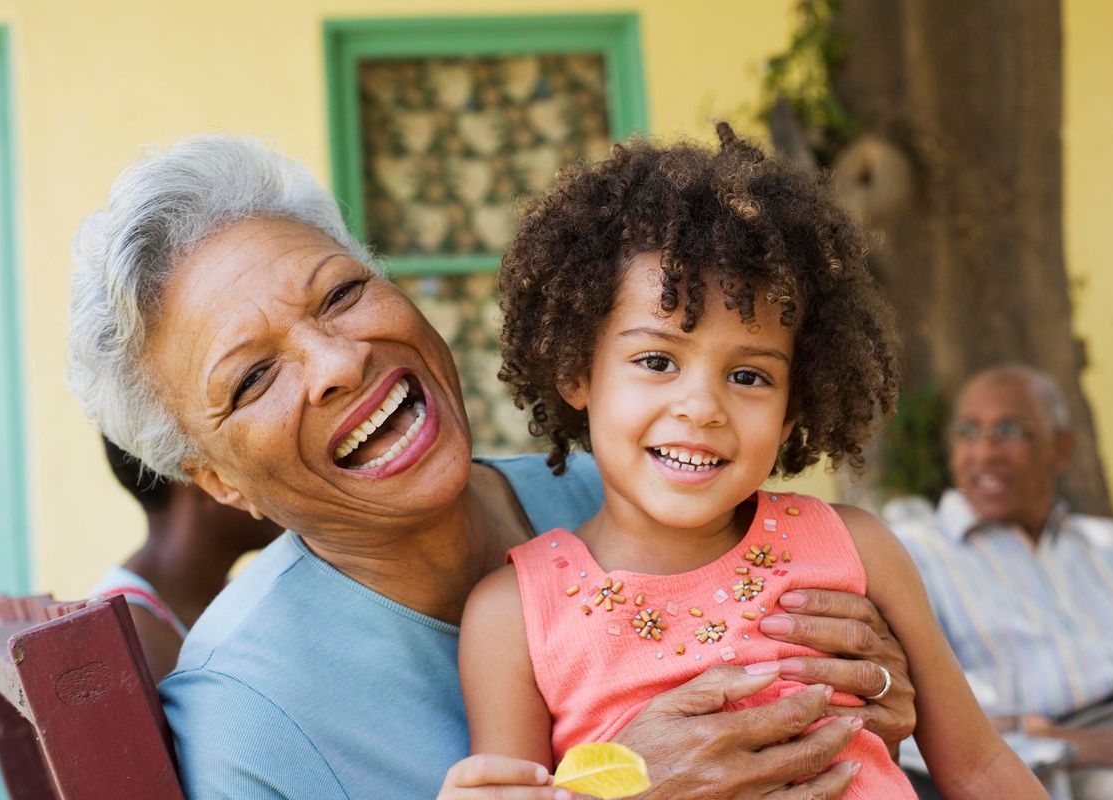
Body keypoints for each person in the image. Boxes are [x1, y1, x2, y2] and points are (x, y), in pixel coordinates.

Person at [67, 133, 918, 800]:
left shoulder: (626, 491)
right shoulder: (249, 719)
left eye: (341, 294)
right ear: (216, 479)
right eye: (253, 378)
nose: (334, 362)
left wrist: (869, 691)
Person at [451, 125, 1046, 799]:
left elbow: (979, 766)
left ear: (797, 403)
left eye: (751, 377)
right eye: (656, 361)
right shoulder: (514, 616)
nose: (701, 406)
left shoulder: (858, 550)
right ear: (574, 370)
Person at [887, 364, 1113, 800]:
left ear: (1060, 449)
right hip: (1064, 763)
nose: (985, 452)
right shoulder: (916, 555)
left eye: (1008, 430)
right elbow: (908, 719)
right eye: (969, 432)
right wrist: (1064, 743)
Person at [90, 437, 282, 682]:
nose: (281, 482)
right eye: (249, 460)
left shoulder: (226, 598)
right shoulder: (131, 636)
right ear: (205, 480)